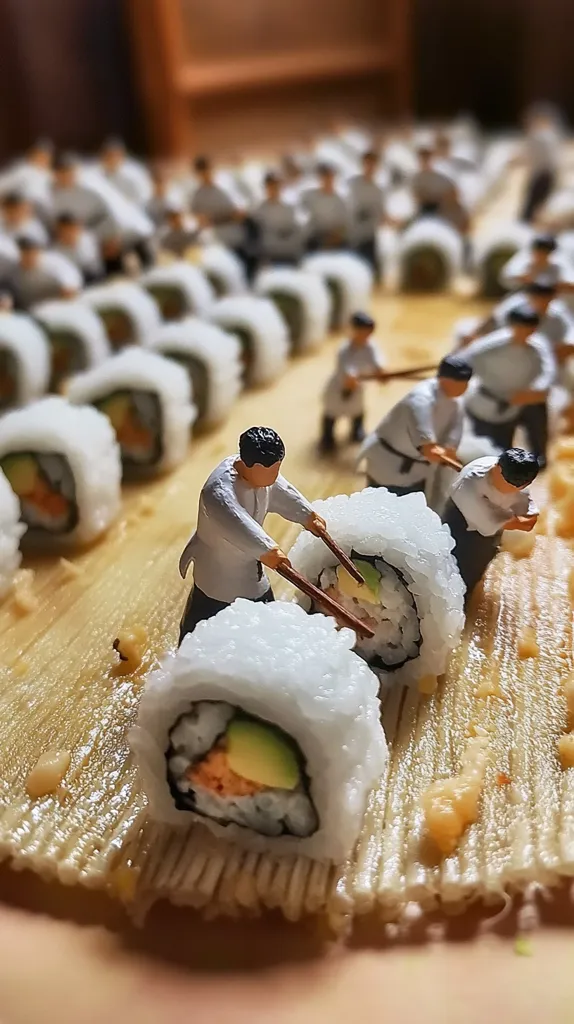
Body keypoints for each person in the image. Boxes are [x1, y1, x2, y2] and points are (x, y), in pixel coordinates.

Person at [178, 426, 325, 643]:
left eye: (277, 469)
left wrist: (308, 515)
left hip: (253, 568)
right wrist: (268, 550)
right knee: (203, 620)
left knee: (265, 618)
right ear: (251, 465)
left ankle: (267, 650)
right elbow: (237, 524)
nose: (275, 476)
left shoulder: (262, 478)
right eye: (271, 471)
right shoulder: (217, 490)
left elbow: (283, 492)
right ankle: (186, 649)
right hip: (218, 572)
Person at [360, 356, 472, 495]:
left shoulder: (457, 401)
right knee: (380, 498)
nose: (464, 387)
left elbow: (455, 428)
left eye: (466, 383)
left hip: (418, 468)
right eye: (459, 383)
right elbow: (426, 442)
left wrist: (450, 447)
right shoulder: (421, 398)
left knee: (412, 499)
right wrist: (430, 447)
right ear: (444, 379)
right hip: (390, 461)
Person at [461, 305, 556, 464]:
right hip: (486, 404)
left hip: (518, 403)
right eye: (521, 328)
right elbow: (463, 361)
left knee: (523, 441)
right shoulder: (491, 344)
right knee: (490, 453)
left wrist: (537, 390)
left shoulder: (537, 346)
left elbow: (548, 372)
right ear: (512, 326)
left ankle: (537, 462)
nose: (524, 333)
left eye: (529, 329)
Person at [443, 447, 539, 600]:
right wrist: (516, 522)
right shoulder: (470, 482)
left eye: (521, 486)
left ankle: (466, 598)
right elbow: (488, 522)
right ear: (497, 468)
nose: (515, 489)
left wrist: (524, 518)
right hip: (462, 525)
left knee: (478, 568)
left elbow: (527, 512)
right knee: (454, 565)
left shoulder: (517, 481)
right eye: (509, 484)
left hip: (491, 532)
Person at [51, 152, 155, 273]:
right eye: (62, 172)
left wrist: (114, 238)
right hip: (96, 238)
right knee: (114, 274)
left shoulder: (90, 185)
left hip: (125, 230)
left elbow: (114, 210)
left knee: (149, 268)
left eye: (69, 171)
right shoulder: (55, 193)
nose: (66, 176)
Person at [320, 311, 385, 451]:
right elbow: (347, 371)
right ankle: (327, 438)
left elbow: (378, 363)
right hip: (339, 387)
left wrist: (381, 372)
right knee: (332, 413)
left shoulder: (371, 346)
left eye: (368, 333)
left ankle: (356, 432)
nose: (365, 336)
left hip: (358, 387)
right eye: (362, 332)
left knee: (357, 411)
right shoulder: (344, 349)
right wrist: (351, 378)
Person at [189, 155, 256, 279]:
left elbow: (242, 212)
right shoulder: (197, 197)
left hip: (238, 240)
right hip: (218, 245)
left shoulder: (226, 186)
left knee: (245, 274)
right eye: (201, 173)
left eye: (207, 170)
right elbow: (201, 222)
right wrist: (225, 217)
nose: (205, 175)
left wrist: (218, 218)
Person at [8, 237, 82, 309]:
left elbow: (69, 278)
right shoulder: (13, 270)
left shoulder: (53, 261)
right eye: (25, 253)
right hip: (31, 308)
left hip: (59, 304)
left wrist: (68, 287)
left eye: (33, 253)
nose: (30, 257)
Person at [252, 171, 307, 266]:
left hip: (290, 253)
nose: (274, 190)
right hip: (269, 254)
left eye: (276, 187)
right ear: (266, 188)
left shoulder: (290, 208)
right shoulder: (259, 210)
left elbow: (298, 229)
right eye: (271, 187)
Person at [520, 106, 562, 224]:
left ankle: (528, 223)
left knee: (533, 204)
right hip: (545, 174)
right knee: (538, 203)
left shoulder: (539, 136)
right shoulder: (548, 136)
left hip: (542, 174)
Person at [347, 150, 385, 278]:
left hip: (370, 237)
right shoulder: (352, 185)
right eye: (368, 164)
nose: (370, 167)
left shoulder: (378, 190)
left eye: (373, 164)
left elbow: (381, 215)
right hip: (354, 237)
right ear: (363, 164)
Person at [499, 234, 574, 293]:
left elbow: (570, 283)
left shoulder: (558, 262)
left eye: (546, 251)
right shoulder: (524, 260)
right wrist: (523, 277)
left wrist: (561, 285)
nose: (542, 254)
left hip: (551, 297)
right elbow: (505, 279)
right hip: (525, 295)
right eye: (540, 251)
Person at [301, 163, 350, 252]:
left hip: (335, 238)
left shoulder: (339, 201)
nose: (328, 180)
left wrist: (335, 237)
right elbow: (302, 217)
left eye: (330, 177)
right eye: (325, 177)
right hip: (315, 238)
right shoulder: (309, 196)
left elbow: (344, 224)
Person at [99, 136, 153, 208]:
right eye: (109, 155)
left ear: (122, 155)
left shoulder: (134, 172)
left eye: (116, 155)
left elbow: (144, 195)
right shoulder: (97, 173)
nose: (112, 159)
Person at [53, 212, 104, 284]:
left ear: (75, 227)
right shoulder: (56, 250)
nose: (67, 234)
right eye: (62, 231)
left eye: (69, 229)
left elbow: (92, 260)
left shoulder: (87, 237)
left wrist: (74, 244)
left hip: (96, 275)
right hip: (75, 281)